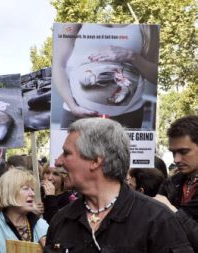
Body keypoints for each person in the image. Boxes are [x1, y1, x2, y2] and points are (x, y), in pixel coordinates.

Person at [45, 118, 192, 252]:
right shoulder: (61, 220)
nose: (58, 161)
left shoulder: (157, 219)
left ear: (96, 161)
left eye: (66, 153)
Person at [53, 24, 159, 128]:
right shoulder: (76, 16)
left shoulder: (146, 25)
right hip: (77, 115)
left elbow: (156, 76)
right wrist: (73, 107)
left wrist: (132, 56)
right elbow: (58, 65)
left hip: (127, 118)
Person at [0, 169, 48, 253]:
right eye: (26, 189)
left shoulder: (41, 225)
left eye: (32, 189)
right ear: (9, 192)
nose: (32, 193)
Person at [156, 115, 198, 251]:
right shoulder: (170, 183)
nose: (176, 159)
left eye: (183, 152)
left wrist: (173, 211)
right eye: (173, 153)